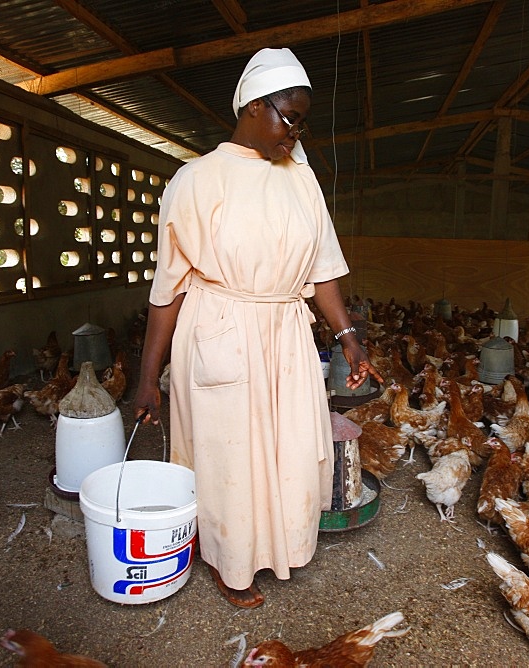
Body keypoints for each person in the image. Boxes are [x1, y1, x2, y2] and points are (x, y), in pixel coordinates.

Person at [132, 47, 382, 609]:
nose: (295, 134)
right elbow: (166, 292)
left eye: (302, 122)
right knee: (228, 456)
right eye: (287, 118)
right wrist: (148, 378)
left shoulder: (302, 181)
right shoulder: (196, 181)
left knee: (289, 447)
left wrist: (348, 338)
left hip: (285, 335)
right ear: (250, 107)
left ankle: (282, 546)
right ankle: (231, 562)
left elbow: (321, 273)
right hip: (220, 327)